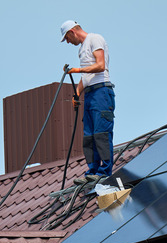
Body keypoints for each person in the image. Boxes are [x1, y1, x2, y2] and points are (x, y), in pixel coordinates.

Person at [60, 20, 115, 185]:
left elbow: (100, 65)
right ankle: (92, 171)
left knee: (101, 134)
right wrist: (77, 94)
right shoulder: (81, 49)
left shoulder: (94, 39)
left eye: (67, 38)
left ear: (72, 31)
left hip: (101, 92)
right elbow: (86, 77)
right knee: (89, 136)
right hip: (90, 94)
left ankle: (104, 172)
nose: (68, 42)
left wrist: (77, 70)